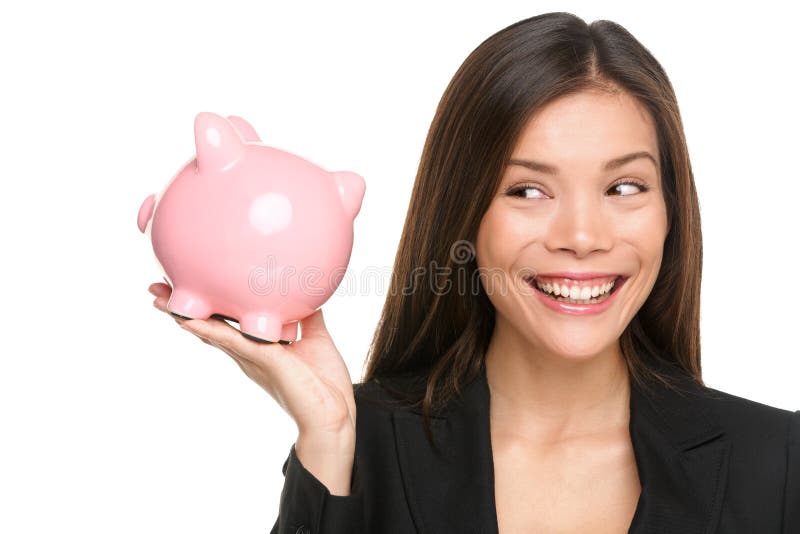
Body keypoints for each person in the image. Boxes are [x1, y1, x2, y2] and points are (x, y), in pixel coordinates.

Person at [148, 11, 799, 534]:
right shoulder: (360, 450)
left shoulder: (779, 465)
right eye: (528, 192)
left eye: (625, 187)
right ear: (466, 216)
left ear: (670, 212)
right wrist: (333, 442)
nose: (582, 238)